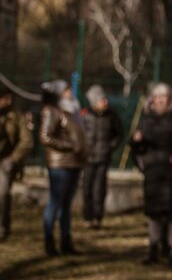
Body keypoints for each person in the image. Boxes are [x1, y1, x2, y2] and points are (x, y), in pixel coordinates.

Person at [131, 83, 172, 266]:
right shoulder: (146, 118)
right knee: (154, 214)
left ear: (171, 98)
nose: (160, 100)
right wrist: (136, 142)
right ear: (153, 99)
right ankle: (153, 249)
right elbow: (137, 146)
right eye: (157, 97)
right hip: (154, 172)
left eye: (164, 97)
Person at [39, 80, 87, 256]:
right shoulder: (51, 111)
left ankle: (66, 241)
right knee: (55, 203)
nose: (70, 92)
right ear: (59, 93)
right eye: (66, 90)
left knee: (66, 205)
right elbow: (45, 137)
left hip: (74, 162)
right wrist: (69, 146)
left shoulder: (72, 110)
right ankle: (49, 241)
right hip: (59, 164)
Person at [81, 85, 123, 229]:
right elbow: (79, 134)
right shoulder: (85, 115)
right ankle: (87, 216)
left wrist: (110, 146)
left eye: (105, 99)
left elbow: (119, 134)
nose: (105, 102)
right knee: (87, 188)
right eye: (101, 100)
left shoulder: (111, 116)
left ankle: (97, 218)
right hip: (88, 158)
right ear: (94, 102)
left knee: (99, 189)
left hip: (103, 157)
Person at [0, 85, 34, 241]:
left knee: (2, 194)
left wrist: (12, 159)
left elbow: (26, 141)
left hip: (5, 162)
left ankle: (2, 228)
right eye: (6, 97)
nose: (9, 100)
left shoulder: (16, 116)